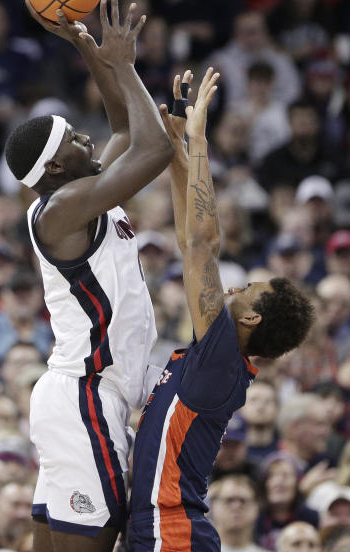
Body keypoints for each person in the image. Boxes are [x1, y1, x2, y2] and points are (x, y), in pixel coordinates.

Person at [4, 0, 169, 552]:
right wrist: (124, 63)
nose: (88, 138)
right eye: (74, 139)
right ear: (54, 168)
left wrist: (86, 47)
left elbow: (123, 121)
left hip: (80, 397)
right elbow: (154, 147)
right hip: (85, 396)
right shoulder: (62, 210)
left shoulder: (81, 194)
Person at [129, 68, 313, 552]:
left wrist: (198, 142)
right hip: (164, 527)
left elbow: (202, 245)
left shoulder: (221, 358)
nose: (235, 287)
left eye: (248, 288)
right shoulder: (221, 359)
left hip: (170, 531)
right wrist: (175, 157)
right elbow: (191, 237)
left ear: (252, 319)